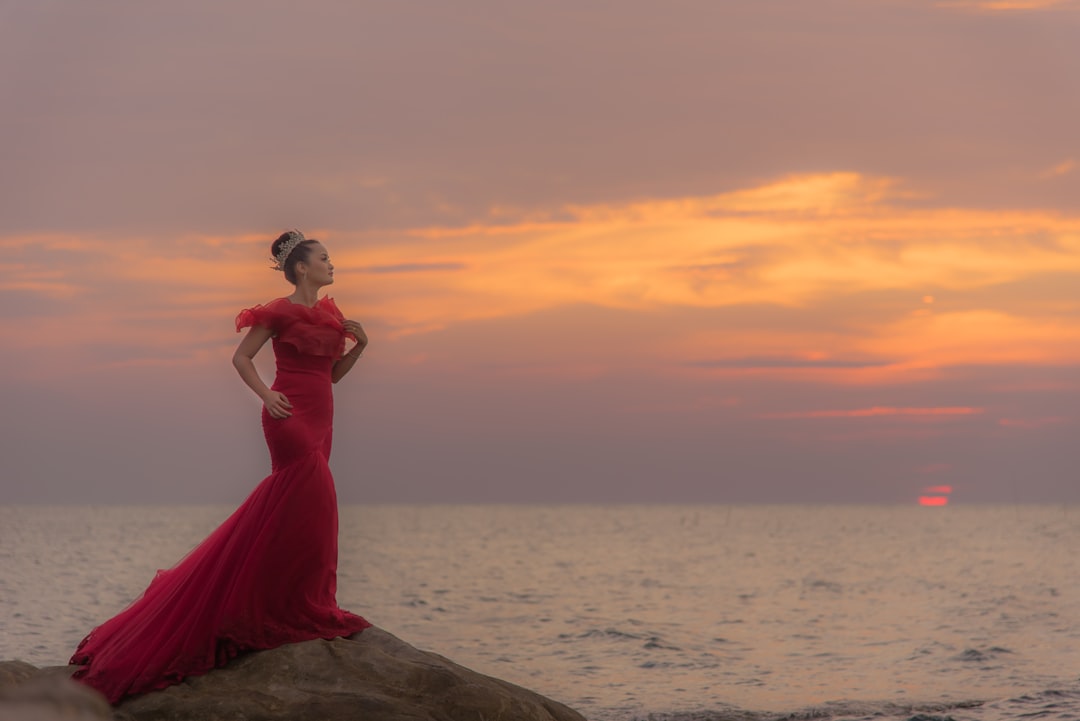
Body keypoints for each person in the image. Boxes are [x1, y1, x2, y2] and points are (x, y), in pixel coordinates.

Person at [70, 230, 372, 703]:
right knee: (315, 499)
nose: (332, 264)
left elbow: (329, 375)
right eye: (324, 258)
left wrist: (359, 348)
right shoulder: (277, 311)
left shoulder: (333, 315)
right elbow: (241, 357)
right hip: (288, 415)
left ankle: (299, 601)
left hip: (323, 416)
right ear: (300, 268)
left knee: (302, 514)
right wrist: (267, 394)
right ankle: (299, 605)